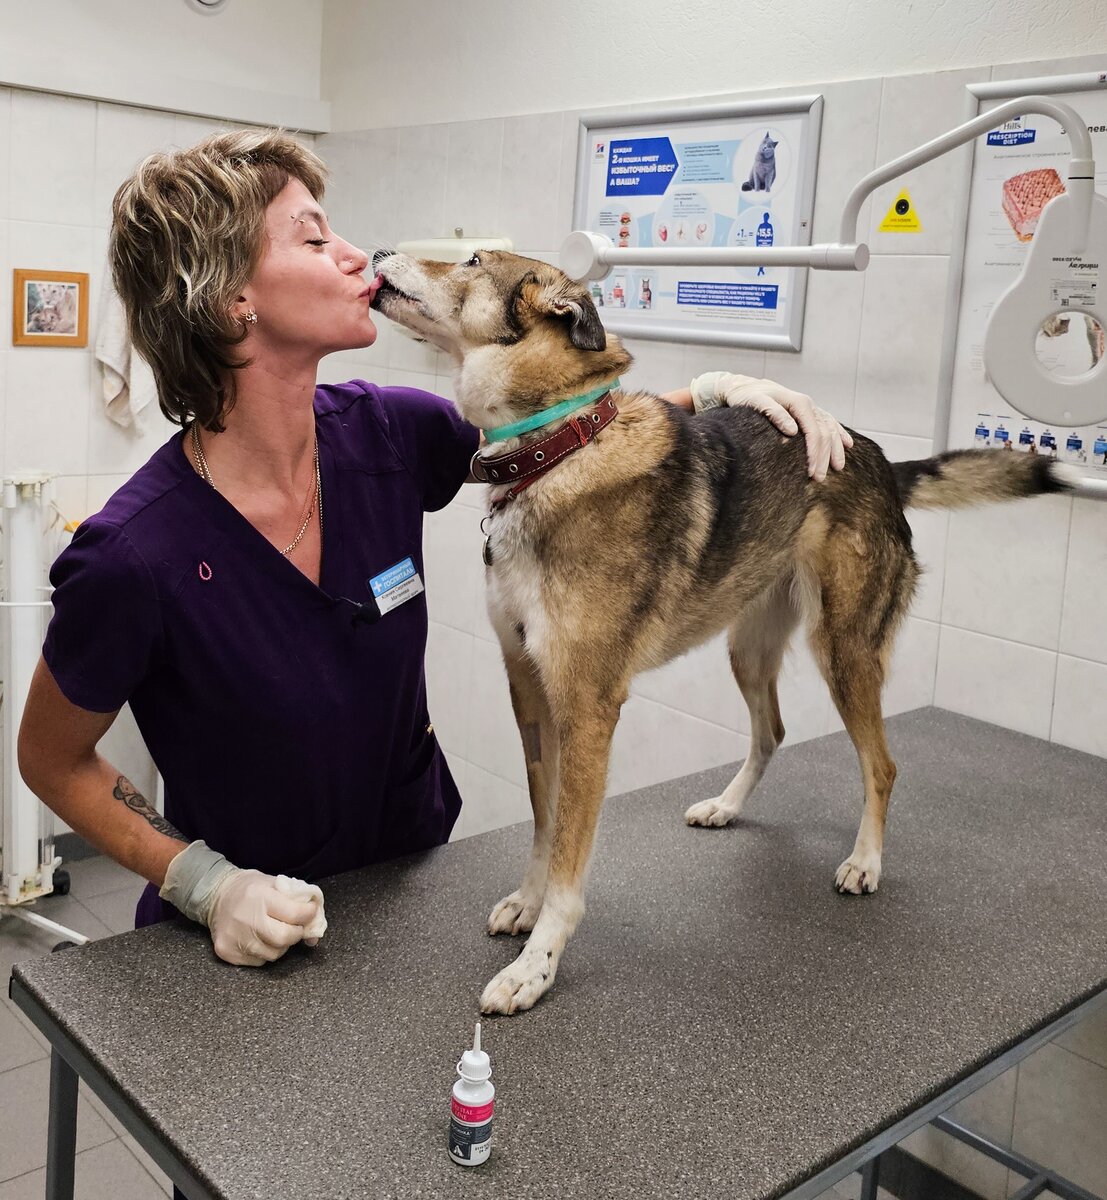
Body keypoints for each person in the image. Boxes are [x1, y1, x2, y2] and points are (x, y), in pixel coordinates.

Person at [18, 130, 852, 973]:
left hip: (414, 882)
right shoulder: (134, 553)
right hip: (244, 941)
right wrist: (202, 883)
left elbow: (565, 440)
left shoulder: (385, 431)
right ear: (231, 297)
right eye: (314, 239)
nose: (355, 256)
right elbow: (49, 759)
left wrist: (721, 395)